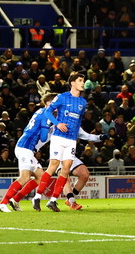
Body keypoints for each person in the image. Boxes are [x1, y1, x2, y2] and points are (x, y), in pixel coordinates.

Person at [33, 73, 88, 212]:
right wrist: (57, 123)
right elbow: (48, 112)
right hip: (59, 137)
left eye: (83, 80)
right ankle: (37, 196)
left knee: (66, 169)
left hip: (71, 140)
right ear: (73, 83)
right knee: (53, 166)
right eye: (80, 80)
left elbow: (78, 121)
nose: (83, 83)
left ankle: (53, 200)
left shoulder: (83, 102)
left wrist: (76, 135)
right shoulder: (62, 97)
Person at [0, 93, 54, 212]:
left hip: (27, 147)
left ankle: (15, 199)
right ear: (48, 103)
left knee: (41, 177)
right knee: (25, 177)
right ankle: (2, 203)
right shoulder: (46, 114)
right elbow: (43, 138)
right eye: (55, 103)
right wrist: (50, 129)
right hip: (25, 147)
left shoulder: (40, 111)